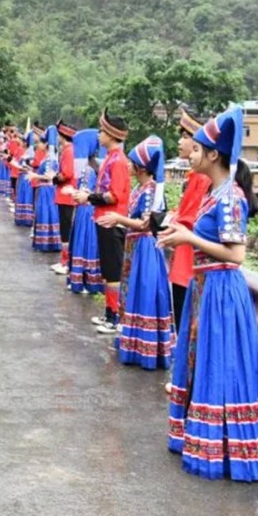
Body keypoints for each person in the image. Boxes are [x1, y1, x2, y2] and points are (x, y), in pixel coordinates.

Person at [158, 105, 258, 483]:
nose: (190, 154)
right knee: (205, 361)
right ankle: (208, 443)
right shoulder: (213, 192)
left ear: (213, 155)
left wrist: (188, 237)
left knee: (221, 364)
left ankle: (223, 451)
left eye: (197, 149)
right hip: (206, 287)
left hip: (222, 288)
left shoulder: (230, 197)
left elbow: (236, 255)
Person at [98, 135, 173, 369]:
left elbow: (145, 223)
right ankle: (135, 345)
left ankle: (147, 350)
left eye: (131, 163)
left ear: (141, 167)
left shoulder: (150, 190)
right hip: (135, 246)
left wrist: (118, 219)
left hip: (145, 248)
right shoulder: (140, 189)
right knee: (134, 292)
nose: (128, 166)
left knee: (144, 293)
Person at [78, 110, 131, 333]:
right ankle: (109, 313)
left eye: (101, 131)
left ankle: (113, 317)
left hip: (112, 221)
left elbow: (114, 195)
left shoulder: (117, 161)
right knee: (109, 270)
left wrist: (88, 197)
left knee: (112, 270)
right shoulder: (110, 158)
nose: (99, 135)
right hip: (103, 219)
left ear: (110, 134)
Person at [169, 108, 213, 328]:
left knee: (187, 325)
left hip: (190, 262)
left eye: (186, 137)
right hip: (183, 258)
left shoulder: (204, 179)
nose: (180, 141)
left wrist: (170, 221)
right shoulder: (195, 176)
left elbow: (191, 219)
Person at [66, 129, 104, 296]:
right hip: (92, 208)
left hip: (85, 209)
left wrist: (72, 193)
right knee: (91, 243)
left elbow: (83, 191)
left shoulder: (87, 170)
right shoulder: (98, 167)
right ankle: (92, 281)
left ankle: (80, 280)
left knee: (83, 242)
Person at [51, 121, 79, 275]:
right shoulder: (68, 150)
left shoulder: (68, 151)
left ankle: (65, 261)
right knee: (65, 228)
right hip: (64, 194)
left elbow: (66, 174)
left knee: (66, 229)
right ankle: (64, 260)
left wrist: (54, 178)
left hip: (66, 195)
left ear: (63, 136)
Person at [28, 127, 62, 252]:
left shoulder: (50, 159)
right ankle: (46, 240)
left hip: (47, 190)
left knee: (47, 213)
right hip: (44, 189)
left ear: (46, 144)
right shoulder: (48, 157)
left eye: (40, 143)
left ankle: (48, 241)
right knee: (45, 213)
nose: (38, 145)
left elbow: (50, 176)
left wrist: (35, 176)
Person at [12, 130, 37, 227]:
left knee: (27, 196)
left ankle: (27, 218)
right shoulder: (25, 151)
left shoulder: (30, 153)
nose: (21, 142)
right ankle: (22, 217)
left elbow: (28, 166)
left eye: (23, 141)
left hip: (27, 177)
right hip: (22, 176)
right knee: (22, 195)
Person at [0, 131, 11, 198]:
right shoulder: (3, 144)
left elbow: (6, 154)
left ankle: (5, 190)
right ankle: (2, 189)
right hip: (2, 161)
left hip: (5, 161)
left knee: (5, 176)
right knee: (1, 175)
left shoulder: (7, 144)